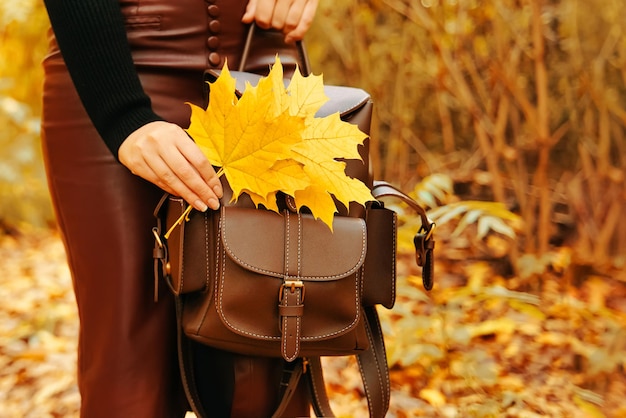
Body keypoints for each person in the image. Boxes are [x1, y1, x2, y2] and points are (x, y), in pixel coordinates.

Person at [41, 0, 319, 417]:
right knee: (129, 371)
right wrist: (124, 116)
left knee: (264, 366)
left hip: (259, 63)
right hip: (118, 63)